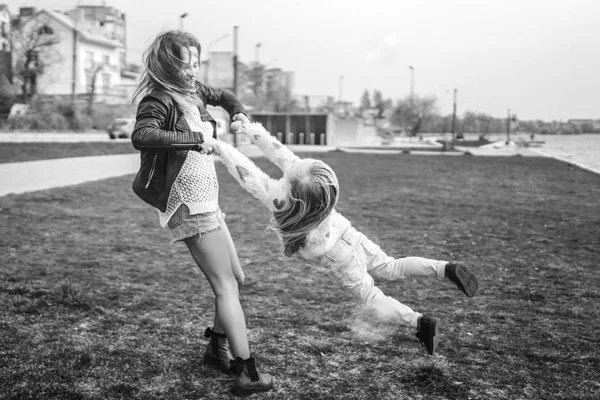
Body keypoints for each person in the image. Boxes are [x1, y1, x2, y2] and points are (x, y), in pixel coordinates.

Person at [204, 121, 480, 356]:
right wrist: (248, 128)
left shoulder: (282, 199)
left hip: (335, 255)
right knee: (391, 267)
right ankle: (445, 268)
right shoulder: (315, 183)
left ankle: (419, 323)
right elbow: (276, 150)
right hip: (350, 235)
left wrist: (220, 147)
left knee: (372, 296)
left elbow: (247, 173)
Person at [130, 30, 272, 396]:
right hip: (187, 205)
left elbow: (223, 95)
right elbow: (142, 136)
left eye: (196, 63)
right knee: (226, 286)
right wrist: (196, 139)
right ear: (168, 65)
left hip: (208, 200)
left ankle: (215, 348)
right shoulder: (157, 100)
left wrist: (238, 113)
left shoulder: (193, 92)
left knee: (236, 279)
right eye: (186, 64)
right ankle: (248, 371)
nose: (193, 71)